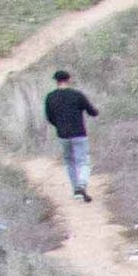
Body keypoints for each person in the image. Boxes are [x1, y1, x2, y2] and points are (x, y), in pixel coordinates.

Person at [41, 70, 94, 202]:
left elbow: (49, 117)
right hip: (79, 133)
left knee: (70, 162)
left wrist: (59, 125)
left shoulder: (50, 97)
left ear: (56, 81)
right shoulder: (76, 95)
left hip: (63, 135)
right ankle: (82, 185)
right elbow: (91, 111)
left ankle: (76, 190)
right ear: (69, 79)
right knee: (83, 161)